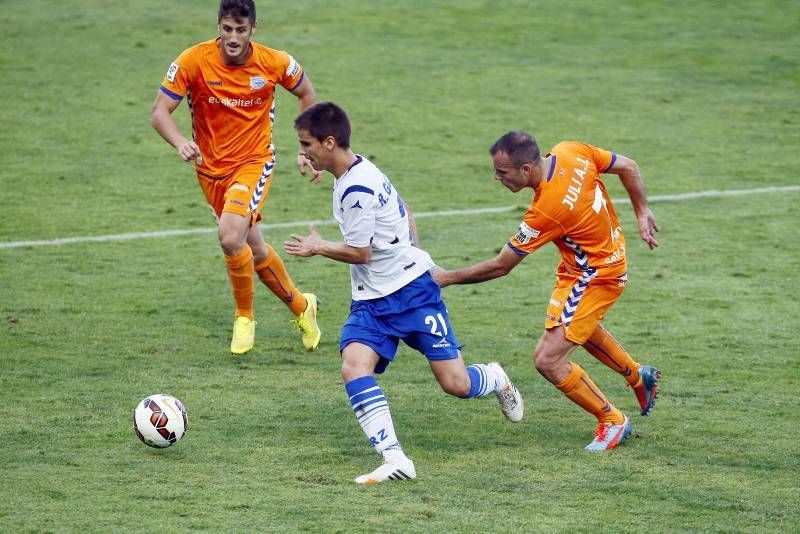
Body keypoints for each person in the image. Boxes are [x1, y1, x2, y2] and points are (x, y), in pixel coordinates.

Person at [285, 102, 524, 484]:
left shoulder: (357, 188)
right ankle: (395, 458)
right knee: (353, 367)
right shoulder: (356, 170)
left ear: (329, 142)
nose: (302, 153)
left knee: (456, 385)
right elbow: (406, 209)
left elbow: (360, 252)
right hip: (372, 302)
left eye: (306, 145)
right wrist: (414, 251)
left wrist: (318, 246)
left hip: (412, 297)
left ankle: (496, 378)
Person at [434, 131, 661, 452]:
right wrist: (642, 211)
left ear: (526, 170)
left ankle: (612, 420)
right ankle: (639, 377)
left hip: (596, 276)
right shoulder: (571, 151)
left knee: (548, 359)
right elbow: (630, 166)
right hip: (590, 264)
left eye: (502, 172)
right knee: (578, 327)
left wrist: (445, 278)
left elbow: (502, 266)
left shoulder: (547, 209)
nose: (496, 178)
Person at [150, 0, 321, 355]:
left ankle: (244, 317)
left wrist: (305, 149)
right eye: (227, 29)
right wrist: (181, 141)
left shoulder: (274, 62)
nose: (232, 37)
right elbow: (159, 112)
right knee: (253, 247)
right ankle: (303, 307)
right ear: (218, 26)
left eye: (240, 30)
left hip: (253, 162)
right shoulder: (193, 61)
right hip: (210, 171)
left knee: (229, 237)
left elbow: (307, 93)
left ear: (252, 30)